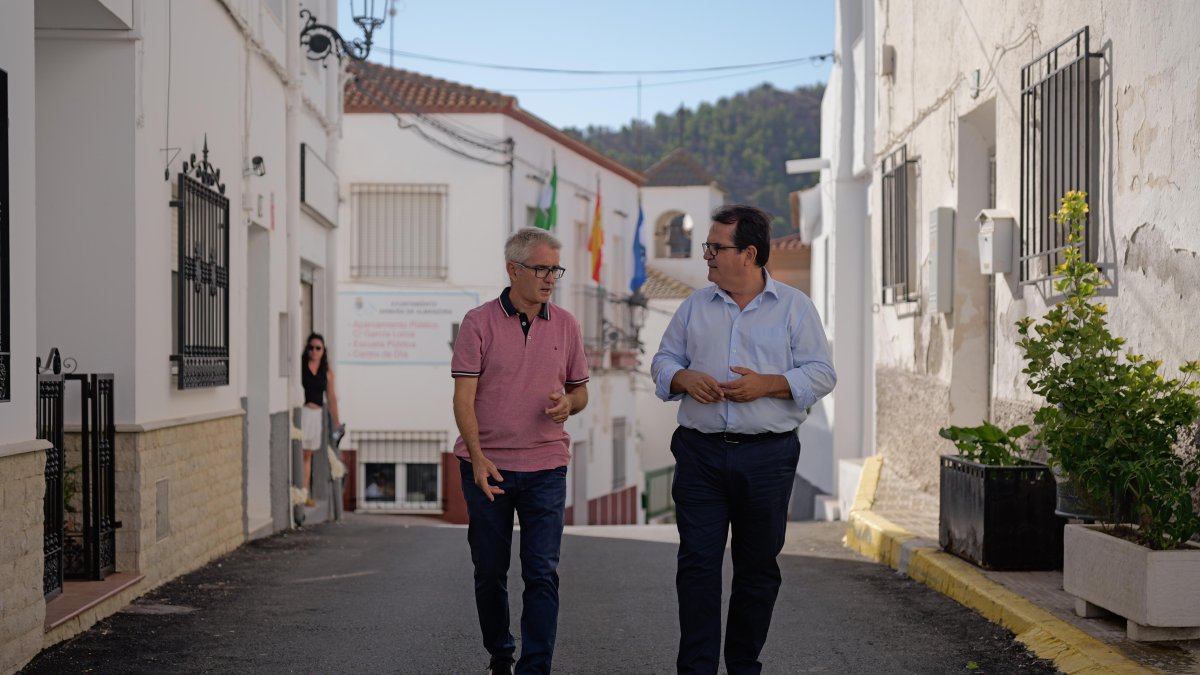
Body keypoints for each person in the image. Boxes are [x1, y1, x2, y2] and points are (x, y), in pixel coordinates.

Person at [651, 205, 836, 675]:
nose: (707, 256)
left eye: (717, 247)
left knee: (757, 570)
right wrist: (683, 378)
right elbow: (662, 361)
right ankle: (695, 669)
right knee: (697, 566)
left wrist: (768, 384)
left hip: (768, 457)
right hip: (700, 454)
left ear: (749, 253)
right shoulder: (694, 306)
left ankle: (742, 665)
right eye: (707, 246)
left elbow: (821, 374)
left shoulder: (795, 307)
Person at [451, 227, 589, 675]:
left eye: (556, 269)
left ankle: (535, 667)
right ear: (514, 269)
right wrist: (477, 456)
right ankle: (500, 653)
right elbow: (463, 398)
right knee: (489, 571)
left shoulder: (566, 324)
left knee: (541, 573)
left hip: (547, 465)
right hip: (487, 466)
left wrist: (569, 404)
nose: (551, 278)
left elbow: (580, 391)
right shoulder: (479, 322)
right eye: (542, 269)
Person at [301, 332, 341, 507]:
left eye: (318, 348)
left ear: (323, 351)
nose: (314, 351)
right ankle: (301, 492)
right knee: (300, 451)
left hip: (316, 414)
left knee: (309, 454)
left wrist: (337, 421)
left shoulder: (327, 372)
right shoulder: (301, 367)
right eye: (311, 348)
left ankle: (304, 492)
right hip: (303, 412)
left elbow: (331, 397)